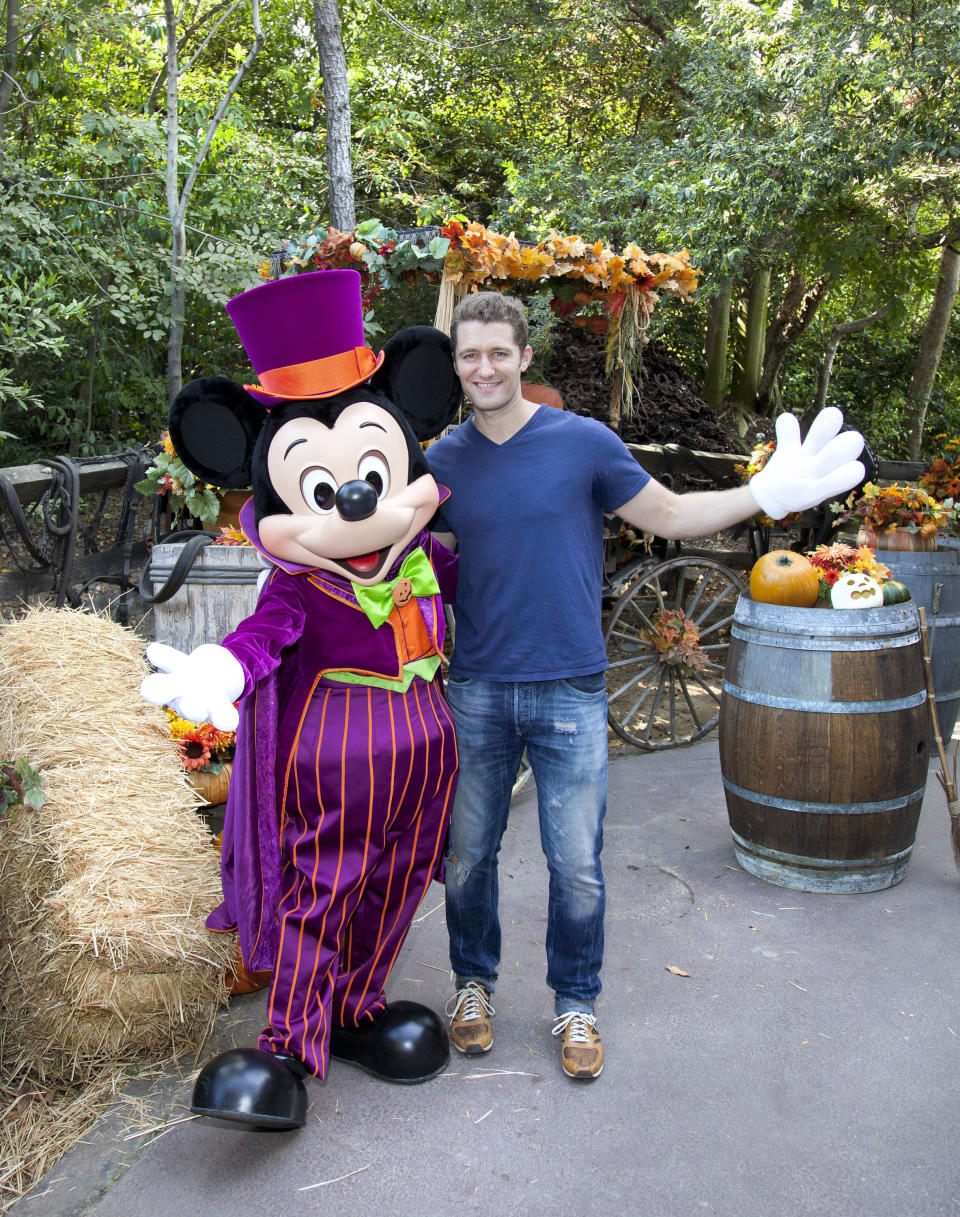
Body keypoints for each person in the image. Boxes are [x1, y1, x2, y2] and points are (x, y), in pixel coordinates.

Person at [425, 290, 864, 1082]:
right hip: (479, 687)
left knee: (578, 863)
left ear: (525, 358)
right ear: (455, 363)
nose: (483, 367)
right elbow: (413, 561)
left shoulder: (583, 442)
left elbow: (669, 509)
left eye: (498, 353)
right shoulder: (444, 461)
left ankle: (576, 1001)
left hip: (571, 688)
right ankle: (473, 987)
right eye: (468, 354)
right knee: (466, 857)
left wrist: (762, 494)